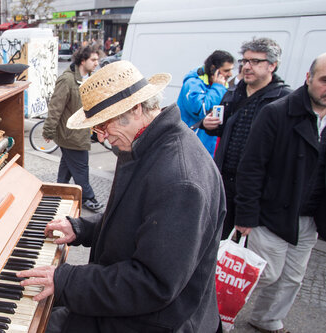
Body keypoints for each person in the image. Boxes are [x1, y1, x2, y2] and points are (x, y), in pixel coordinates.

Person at [19, 61, 225, 332]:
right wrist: (82, 228)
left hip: (156, 321)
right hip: (131, 306)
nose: (102, 137)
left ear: (136, 108)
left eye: (104, 126)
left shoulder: (179, 179)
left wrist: (67, 280)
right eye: (96, 129)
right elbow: (137, 219)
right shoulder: (145, 143)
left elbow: (153, 283)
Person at [232, 53, 326, 333]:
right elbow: (251, 166)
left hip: (309, 215)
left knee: (292, 277)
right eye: (324, 80)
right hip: (271, 212)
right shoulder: (277, 112)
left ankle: (268, 319)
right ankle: (212, 308)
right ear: (308, 78)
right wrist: (246, 214)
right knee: (264, 273)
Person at [202, 37, 292, 239]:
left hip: (255, 189)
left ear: (272, 66)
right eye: (245, 61)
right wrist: (208, 125)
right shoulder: (234, 92)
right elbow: (222, 127)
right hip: (224, 181)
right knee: (215, 240)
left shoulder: (282, 99)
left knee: (243, 250)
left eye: (255, 61)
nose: (247, 67)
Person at [42, 46, 103, 211]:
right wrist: (48, 130)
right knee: (81, 167)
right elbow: (56, 107)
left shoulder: (86, 79)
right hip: (71, 135)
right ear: (83, 60)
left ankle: (58, 191)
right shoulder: (67, 80)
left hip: (79, 133)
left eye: (97, 59)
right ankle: (88, 198)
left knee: (67, 165)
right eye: (93, 60)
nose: (97, 63)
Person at [177, 50, 235, 156]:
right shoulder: (193, 83)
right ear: (214, 69)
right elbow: (202, 111)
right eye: (226, 70)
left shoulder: (221, 85)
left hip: (208, 145)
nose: (230, 74)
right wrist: (218, 87)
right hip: (190, 144)